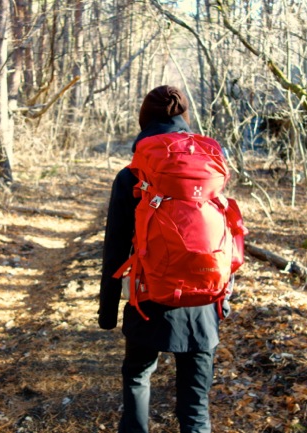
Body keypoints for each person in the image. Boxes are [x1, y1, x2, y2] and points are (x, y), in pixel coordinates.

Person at [99, 85, 226, 433]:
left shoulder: (133, 175)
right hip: (204, 300)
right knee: (195, 407)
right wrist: (223, 301)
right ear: (184, 119)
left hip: (149, 297)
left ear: (144, 123)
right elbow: (223, 235)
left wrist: (108, 311)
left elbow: (115, 248)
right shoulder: (209, 169)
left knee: (138, 376)